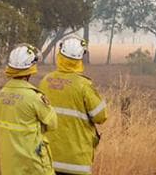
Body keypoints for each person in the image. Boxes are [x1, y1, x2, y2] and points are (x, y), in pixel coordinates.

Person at [38, 37, 107, 175]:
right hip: (77, 162)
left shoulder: (45, 81)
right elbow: (101, 116)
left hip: (48, 159)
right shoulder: (83, 85)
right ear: (80, 60)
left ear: (60, 56)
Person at [0, 43, 57, 175]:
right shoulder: (34, 97)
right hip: (33, 162)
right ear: (31, 68)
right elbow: (53, 123)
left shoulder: (2, 94)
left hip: (10, 163)